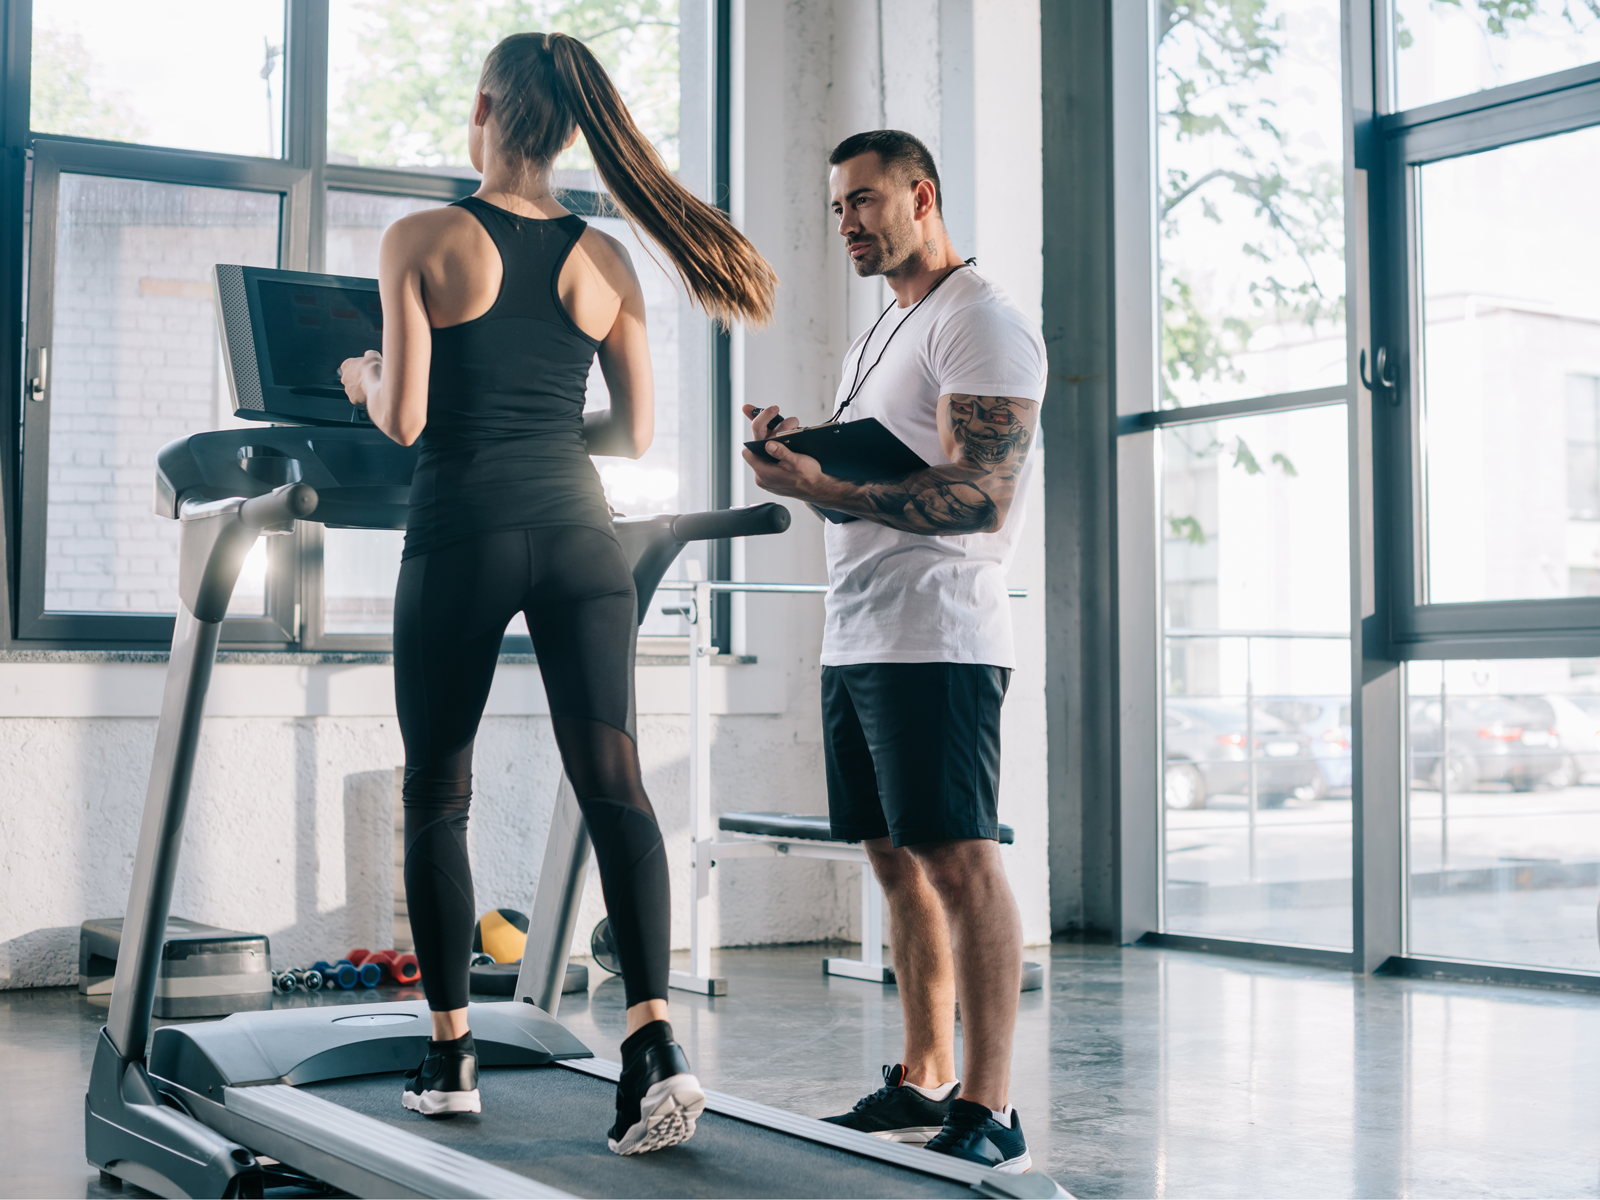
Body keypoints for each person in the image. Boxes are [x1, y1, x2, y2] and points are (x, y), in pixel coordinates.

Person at [340, 31, 776, 1155]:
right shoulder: (609, 261)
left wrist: (360, 373)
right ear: (575, 129)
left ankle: (448, 1059)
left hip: (463, 533)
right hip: (582, 538)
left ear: (483, 107)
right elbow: (631, 432)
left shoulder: (423, 237)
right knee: (617, 786)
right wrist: (539, 435)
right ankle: (652, 1042)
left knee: (438, 789)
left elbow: (404, 418)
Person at [742, 129, 1042, 1174]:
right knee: (889, 857)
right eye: (836, 209)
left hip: (939, 638)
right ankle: (920, 1074)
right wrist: (806, 445)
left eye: (864, 202)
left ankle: (990, 1103)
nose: (848, 224)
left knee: (960, 862)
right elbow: (895, 458)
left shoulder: (981, 324)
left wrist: (820, 488)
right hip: (859, 627)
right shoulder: (886, 330)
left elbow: (978, 493)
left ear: (922, 195)